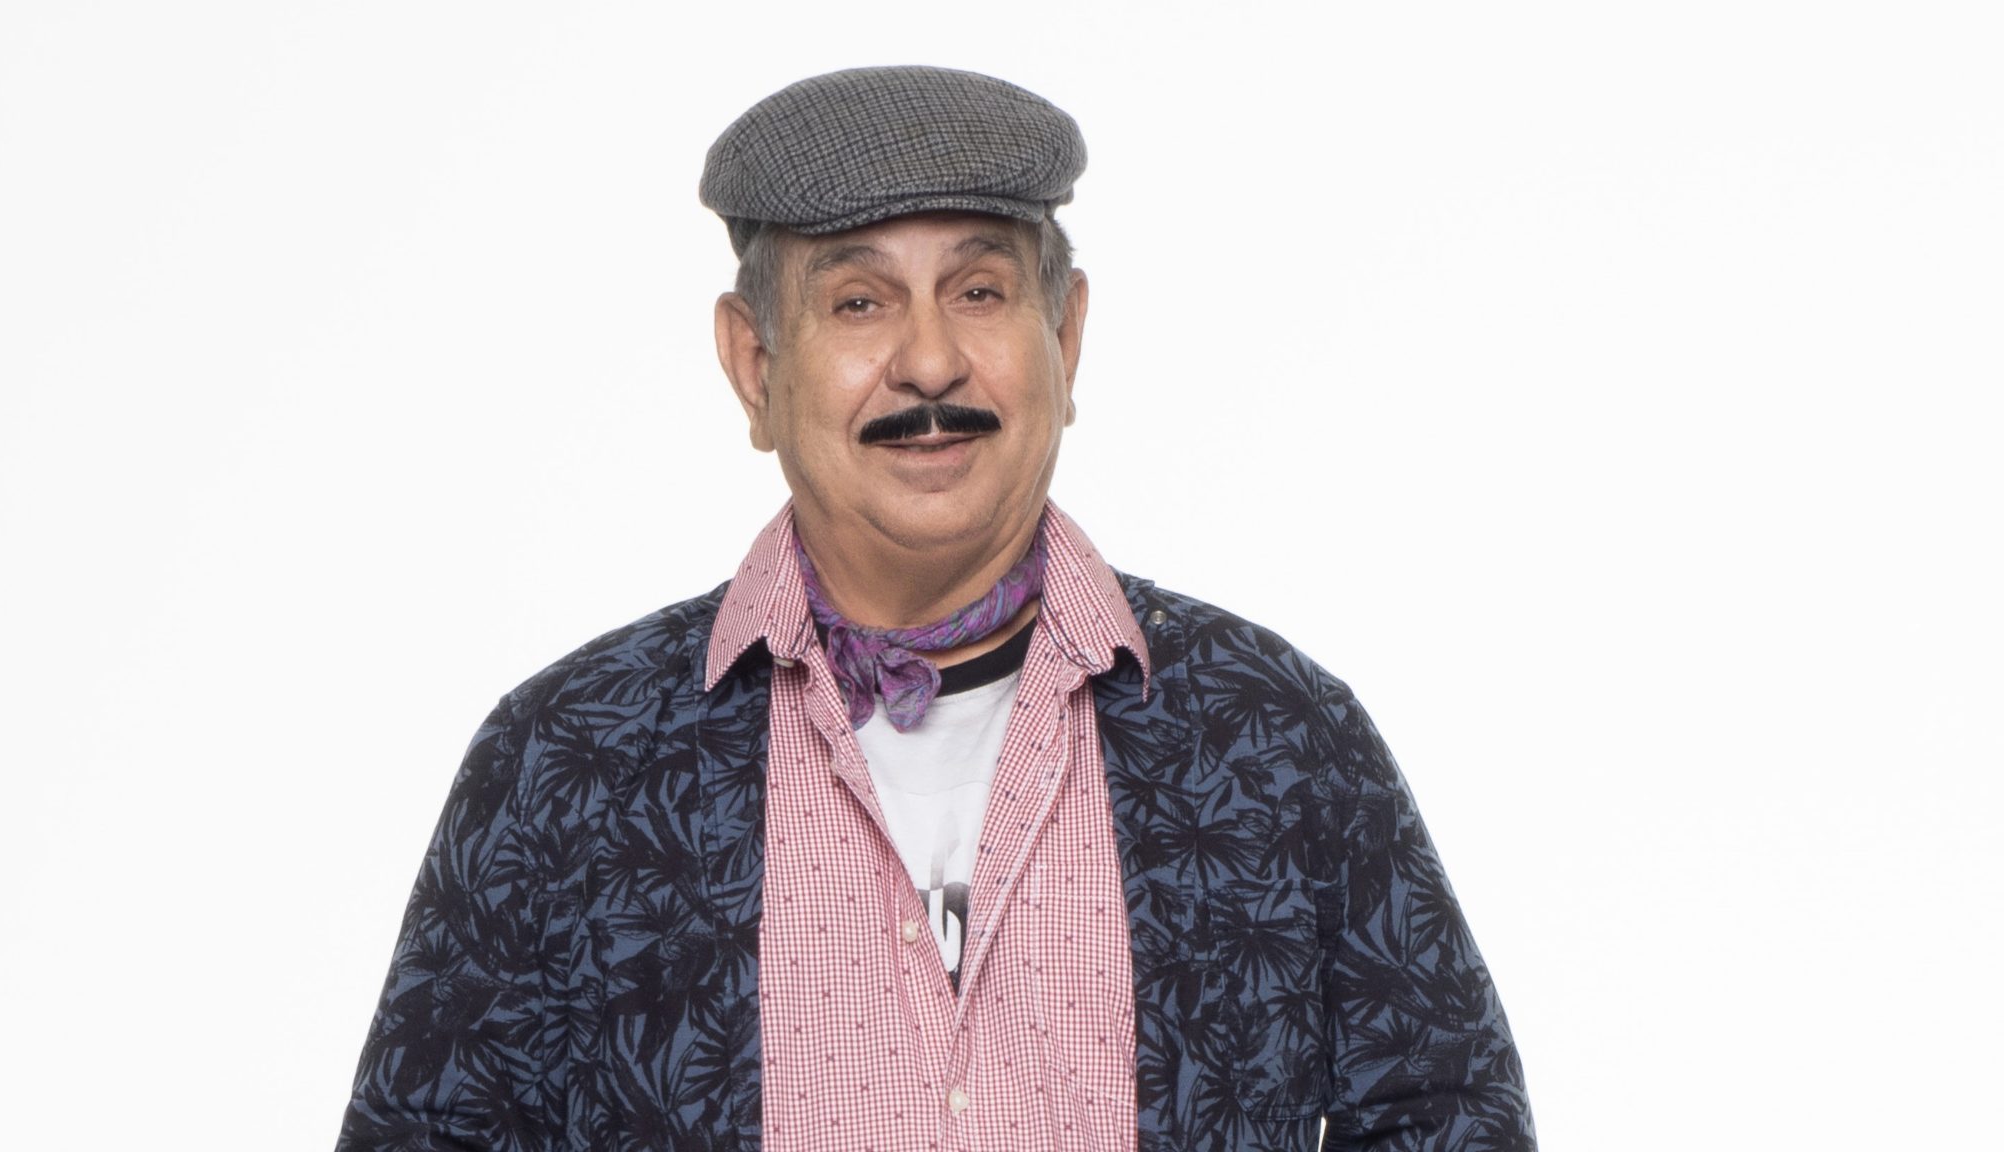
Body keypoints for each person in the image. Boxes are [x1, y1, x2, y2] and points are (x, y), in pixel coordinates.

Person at [337, 65, 1535, 1152]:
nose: (927, 363)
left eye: (977, 290)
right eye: (858, 302)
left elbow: (1446, 1123)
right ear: (755, 366)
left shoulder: (1271, 739)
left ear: (1064, 336)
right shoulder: (566, 767)